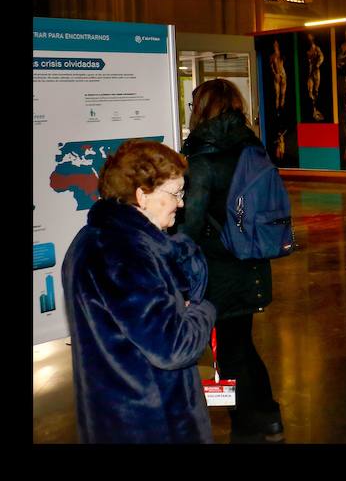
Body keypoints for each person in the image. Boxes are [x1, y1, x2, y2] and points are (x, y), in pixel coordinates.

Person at [62, 139, 217, 443]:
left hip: (113, 414)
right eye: (175, 193)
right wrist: (203, 310)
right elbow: (173, 347)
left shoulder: (92, 239)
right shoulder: (124, 253)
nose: (182, 203)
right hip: (151, 422)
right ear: (142, 196)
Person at [179, 79, 284, 444]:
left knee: (228, 353)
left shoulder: (201, 159)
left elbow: (189, 225)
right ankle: (269, 416)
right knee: (241, 345)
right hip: (252, 262)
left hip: (216, 271)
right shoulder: (252, 147)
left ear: (203, 108)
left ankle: (244, 426)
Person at [306, 32, 325, 121]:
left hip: (316, 71)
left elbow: (321, 57)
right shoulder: (308, 50)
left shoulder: (317, 48)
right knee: (310, 90)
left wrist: (318, 64)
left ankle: (317, 110)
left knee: (316, 90)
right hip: (310, 72)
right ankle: (313, 110)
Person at [269, 40, 287, 112]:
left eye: (276, 44)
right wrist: (275, 74)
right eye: (274, 44)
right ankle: (277, 110)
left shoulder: (281, 54)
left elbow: (283, 64)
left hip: (283, 73)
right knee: (277, 94)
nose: (275, 45)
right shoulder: (272, 56)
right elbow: (271, 67)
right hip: (276, 74)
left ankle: (282, 108)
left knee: (283, 94)